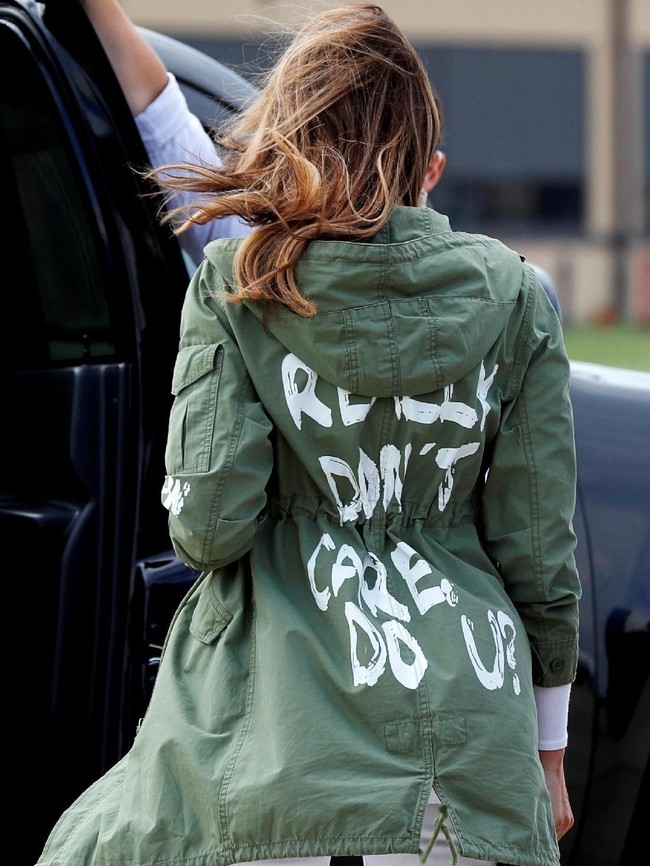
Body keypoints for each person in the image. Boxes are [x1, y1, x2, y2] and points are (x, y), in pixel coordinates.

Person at [38, 4, 580, 866]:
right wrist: (547, 759)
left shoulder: (240, 279)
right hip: (470, 767)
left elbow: (209, 528)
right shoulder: (518, 297)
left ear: (284, 145)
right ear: (430, 169)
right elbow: (542, 559)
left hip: (278, 771)